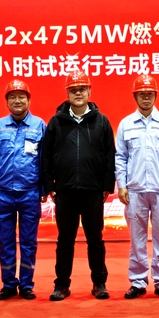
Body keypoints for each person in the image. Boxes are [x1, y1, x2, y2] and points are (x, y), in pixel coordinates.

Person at [42, 69, 115, 301]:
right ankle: (62, 285)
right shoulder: (56, 122)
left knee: (95, 239)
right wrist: (49, 185)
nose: (78, 93)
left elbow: (110, 156)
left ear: (89, 91)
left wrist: (107, 185)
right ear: (67, 93)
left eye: (82, 89)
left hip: (93, 191)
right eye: (74, 90)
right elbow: (46, 156)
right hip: (65, 191)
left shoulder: (101, 121)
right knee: (65, 240)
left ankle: (99, 283)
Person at [115, 74, 159, 300]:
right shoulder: (126, 124)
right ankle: (137, 281)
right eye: (142, 94)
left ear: (156, 96)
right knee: (137, 239)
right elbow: (120, 157)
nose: (146, 97)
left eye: (150, 94)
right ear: (135, 96)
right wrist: (121, 185)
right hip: (135, 191)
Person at [0, 80, 47, 301]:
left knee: (29, 242)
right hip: (3, 193)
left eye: (21, 96)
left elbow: (44, 160)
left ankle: (27, 284)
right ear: (7, 102)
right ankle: (9, 284)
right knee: (6, 241)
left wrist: (43, 189)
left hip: (30, 192)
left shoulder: (39, 125)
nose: (17, 100)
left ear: (29, 100)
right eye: (12, 97)